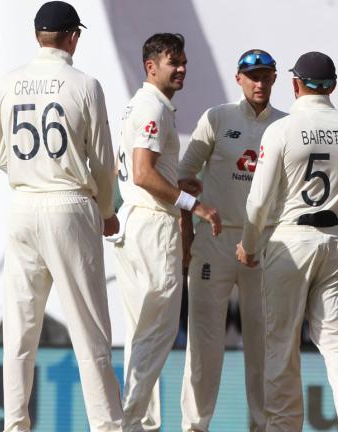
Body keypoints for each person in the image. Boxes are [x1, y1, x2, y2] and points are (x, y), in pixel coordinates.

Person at [0, 2, 124, 431]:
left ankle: (14, 424)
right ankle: (107, 425)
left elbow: (0, 156)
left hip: (24, 203)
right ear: (73, 37)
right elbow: (103, 161)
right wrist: (107, 211)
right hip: (70, 202)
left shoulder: (9, 83)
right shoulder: (85, 83)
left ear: (37, 36)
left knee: (19, 329)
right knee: (90, 329)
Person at [236, 51, 338, 432]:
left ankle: (283, 425)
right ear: (333, 86)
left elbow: (259, 200)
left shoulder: (281, 129)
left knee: (281, 340)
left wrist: (248, 244)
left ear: (295, 84)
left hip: (291, 238)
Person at [113, 32, 221, 432]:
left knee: (142, 333)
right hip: (151, 226)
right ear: (150, 67)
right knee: (156, 335)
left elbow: (134, 170)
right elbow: (142, 174)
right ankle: (124, 421)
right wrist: (194, 205)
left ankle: (137, 422)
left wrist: (177, 184)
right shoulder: (152, 108)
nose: (181, 68)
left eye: (183, 60)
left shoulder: (140, 106)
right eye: (173, 61)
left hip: (136, 222)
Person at [178, 49, 286, 432]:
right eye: (252, 76)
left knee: (262, 343)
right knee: (205, 342)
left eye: (266, 76)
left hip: (262, 246)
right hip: (216, 241)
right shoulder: (217, 118)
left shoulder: (285, 126)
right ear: (239, 78)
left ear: (276, 78)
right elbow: (182, 177)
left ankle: (260, 425)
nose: (260, 83)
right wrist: (188, 230)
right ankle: (195, 425)